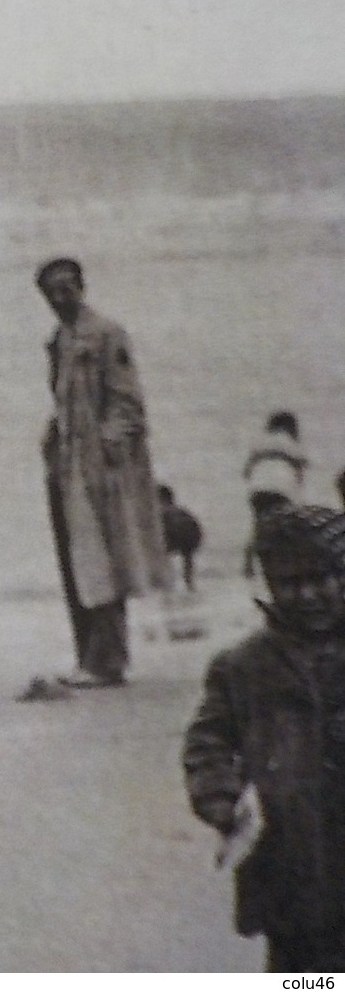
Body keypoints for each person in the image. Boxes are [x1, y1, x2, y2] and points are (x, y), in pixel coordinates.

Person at [183, 504, 345, 972]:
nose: (308, 594)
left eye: (322, 579)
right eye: (290, 583)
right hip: (291, 867)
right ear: (270, 587)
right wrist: (225, 803)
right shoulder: (243, 667)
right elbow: (206, 744)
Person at [37, 257, 168, 689]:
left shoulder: (108, 334)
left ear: (82, 286)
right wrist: (53, 438)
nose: (60, 298)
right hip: (67, 464)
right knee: (79, 561)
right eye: (51, 291)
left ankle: (107, 660)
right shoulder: (58, 339)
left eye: (67, 288)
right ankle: (88, 656)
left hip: (102, 469)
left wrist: (110, 454)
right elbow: (63, 403)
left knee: (104, 559)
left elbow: (128, 404)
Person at [242, 411, 309, 579]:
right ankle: (284, 566)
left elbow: (246, 471)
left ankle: (249, 566)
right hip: (282, 488)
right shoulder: (292, 443)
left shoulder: (260, 442)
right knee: (284, 526)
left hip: (258, 489)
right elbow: (300, 472)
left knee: (259, 525)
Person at [157, 485, 204, 593]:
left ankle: (167, 585)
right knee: (187, 558)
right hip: (191, 536)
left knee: (163, 556)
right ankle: (189, 583)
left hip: (175, 535)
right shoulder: (182, 511)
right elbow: (195, 526)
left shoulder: (161, 512)